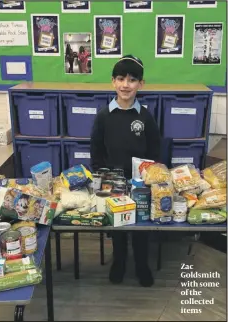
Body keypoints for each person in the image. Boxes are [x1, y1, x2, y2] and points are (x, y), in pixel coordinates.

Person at [90, 55, 161, 287]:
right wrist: (101, 180)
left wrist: (150, 179)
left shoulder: (145, 117)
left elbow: (155, 151)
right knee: (118, 227)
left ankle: (142, 264)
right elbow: (96, 151)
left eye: (132, 80)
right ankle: (118, 261)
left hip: (140, 183)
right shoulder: (103, 116)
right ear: (113, 81)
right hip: (113, 183)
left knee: (140, 227)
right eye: (120, 79)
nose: (125, 85)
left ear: (141, 84)